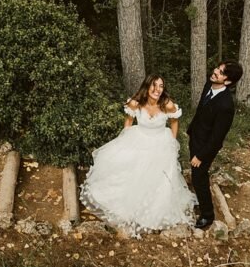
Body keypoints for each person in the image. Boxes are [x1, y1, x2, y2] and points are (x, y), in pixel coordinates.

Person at [80, 75, 197, 236]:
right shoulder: (135, 103)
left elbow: (174, 122)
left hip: (160, 142)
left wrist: (172, 142)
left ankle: (154, 209)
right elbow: (128, 121)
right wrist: (126, 139)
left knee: (159, 176)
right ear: (147, 86)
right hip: (140, 139)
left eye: (161, 86)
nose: (157, 89)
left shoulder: (167, 105)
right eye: (154, 85)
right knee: (132, 173)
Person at [187, 61, 242, 229]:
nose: (215, 72)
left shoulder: (226, 106)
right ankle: (199, 199)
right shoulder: (209, 85)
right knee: (196, 176)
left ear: (227, 81)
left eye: (221, 72)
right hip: (196, 137)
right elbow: (201, 112)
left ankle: (207, 215)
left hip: (206, 148)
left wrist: (200, 156)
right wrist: (191, 130)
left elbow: (217, 138)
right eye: (218, 68)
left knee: (199, 177)